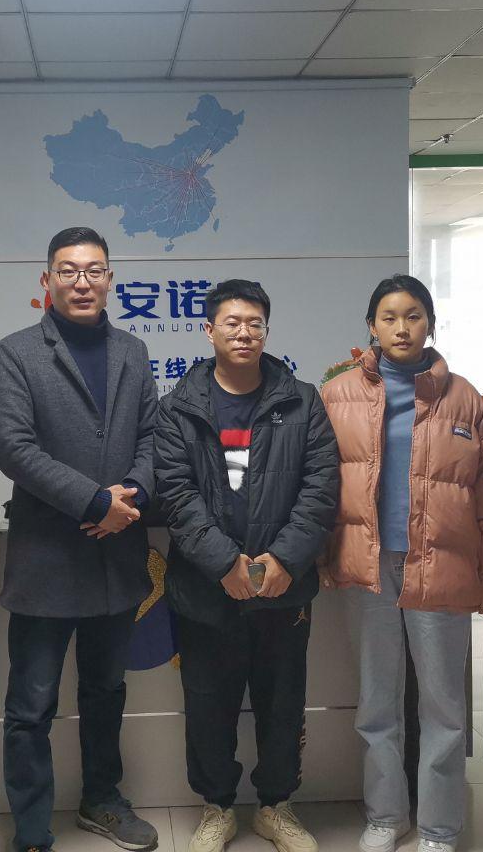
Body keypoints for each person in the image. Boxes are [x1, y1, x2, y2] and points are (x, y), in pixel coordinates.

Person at [320, 275, 483, 852]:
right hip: (368, 564)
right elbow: (320, 485)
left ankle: (439, 826)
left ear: (430, 322)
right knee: (377, 703)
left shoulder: (465, 398)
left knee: (445, 707)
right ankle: (386, 815)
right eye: (389, 317)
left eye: (413, 316)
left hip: (442, 565)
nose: (401, 328)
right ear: (371, 326)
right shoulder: (338, 395)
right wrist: (325, 555)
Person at [0, 226, 159, 852]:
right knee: (31, 704)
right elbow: (13, 447)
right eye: (68, 270)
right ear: (47, 280)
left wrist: (131, 494)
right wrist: (94, 501)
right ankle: (32, 828)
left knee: (106, 691)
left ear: (110, 279)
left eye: (93, 271)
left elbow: (153, 436)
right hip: (46, 560)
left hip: (115, 557)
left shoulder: (133, 351)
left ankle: (102, 801)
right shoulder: (16, 352)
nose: (81, 282)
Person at [154, 278, 338, 852]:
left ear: (266, 331)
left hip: (284, 589)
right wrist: (223, 564)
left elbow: (321, 488)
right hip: (205, 589)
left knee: (282, 704)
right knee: (209, 705)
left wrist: (284, 559)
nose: (244, 332)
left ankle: (276, 806)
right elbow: (176, 495)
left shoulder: (302, 401)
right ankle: (217, 807)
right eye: (232, 322)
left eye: (254, 323)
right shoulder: (177, 408)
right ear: (208, 330)